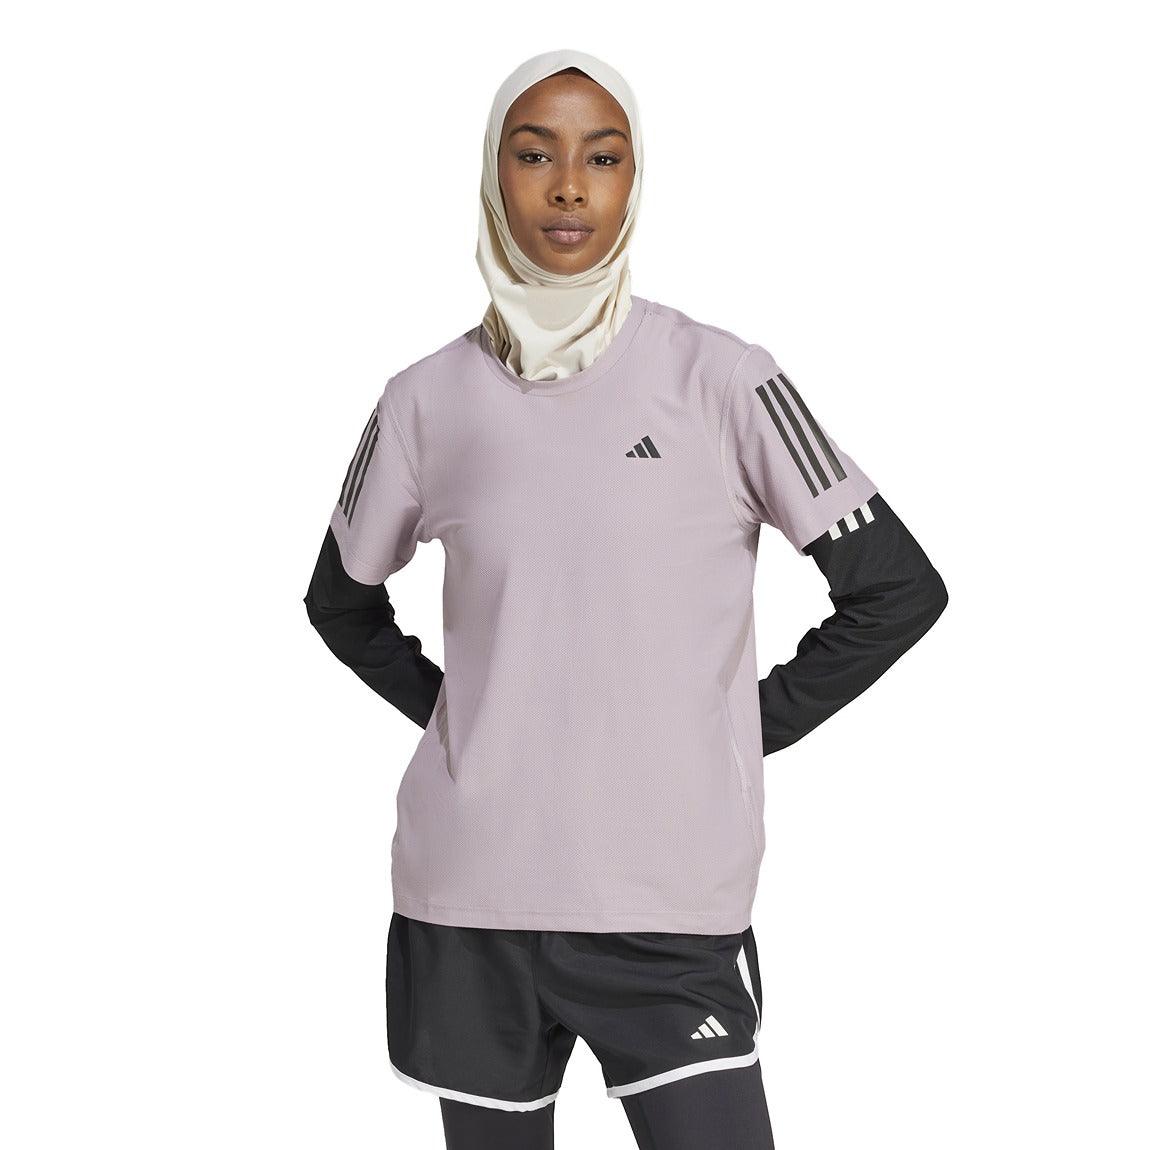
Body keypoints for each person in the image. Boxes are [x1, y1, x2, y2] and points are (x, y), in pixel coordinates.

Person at [303, 48, 948, 1150]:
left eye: (602, 159)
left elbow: (897, 589)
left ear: (634, 179)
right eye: (534, 156)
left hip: (667, 902)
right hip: (472, 901)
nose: (568, 188)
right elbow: (340, 603)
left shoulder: (724, 378)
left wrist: (741, 723)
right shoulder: (422, 400)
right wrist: (465, 718)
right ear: (493, 176)